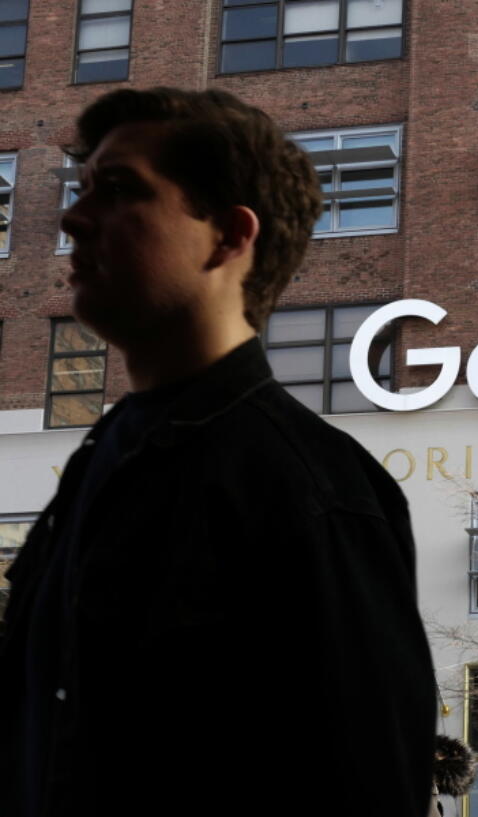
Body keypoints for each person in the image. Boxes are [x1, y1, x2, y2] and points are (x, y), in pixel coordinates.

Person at [0, 88, 436, 816]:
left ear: (230, 237)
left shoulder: (309, 487)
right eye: (83, 192)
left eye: (118, 191)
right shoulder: (105, 456)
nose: (73, 219)